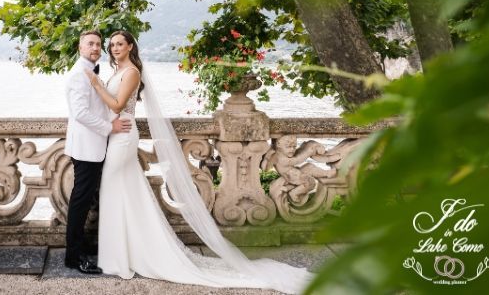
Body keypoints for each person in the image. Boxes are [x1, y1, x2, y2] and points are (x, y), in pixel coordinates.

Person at [84, 30, 313, 294]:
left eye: (119, 44)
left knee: (116, 189)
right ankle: (122, 254)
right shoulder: (116, 71)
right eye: (111, 44)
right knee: (121, 193)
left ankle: (126, 256)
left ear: (130, 46)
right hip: (116, 135)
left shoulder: (132, 71)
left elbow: (117, 105)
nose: (114, 48)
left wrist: (95, 84)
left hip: (123, 137)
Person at [64, 29, 132, 274]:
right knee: (80, 202)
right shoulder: (78, 75)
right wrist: (109, 127)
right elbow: (80, 113)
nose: (95, 48)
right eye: (90, 44)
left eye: (98, 45)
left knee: (86, 198)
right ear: (80, 47)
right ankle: (73, 257)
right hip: (86, 146)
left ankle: (81, 245)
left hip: (93, 145)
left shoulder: (90, 71)